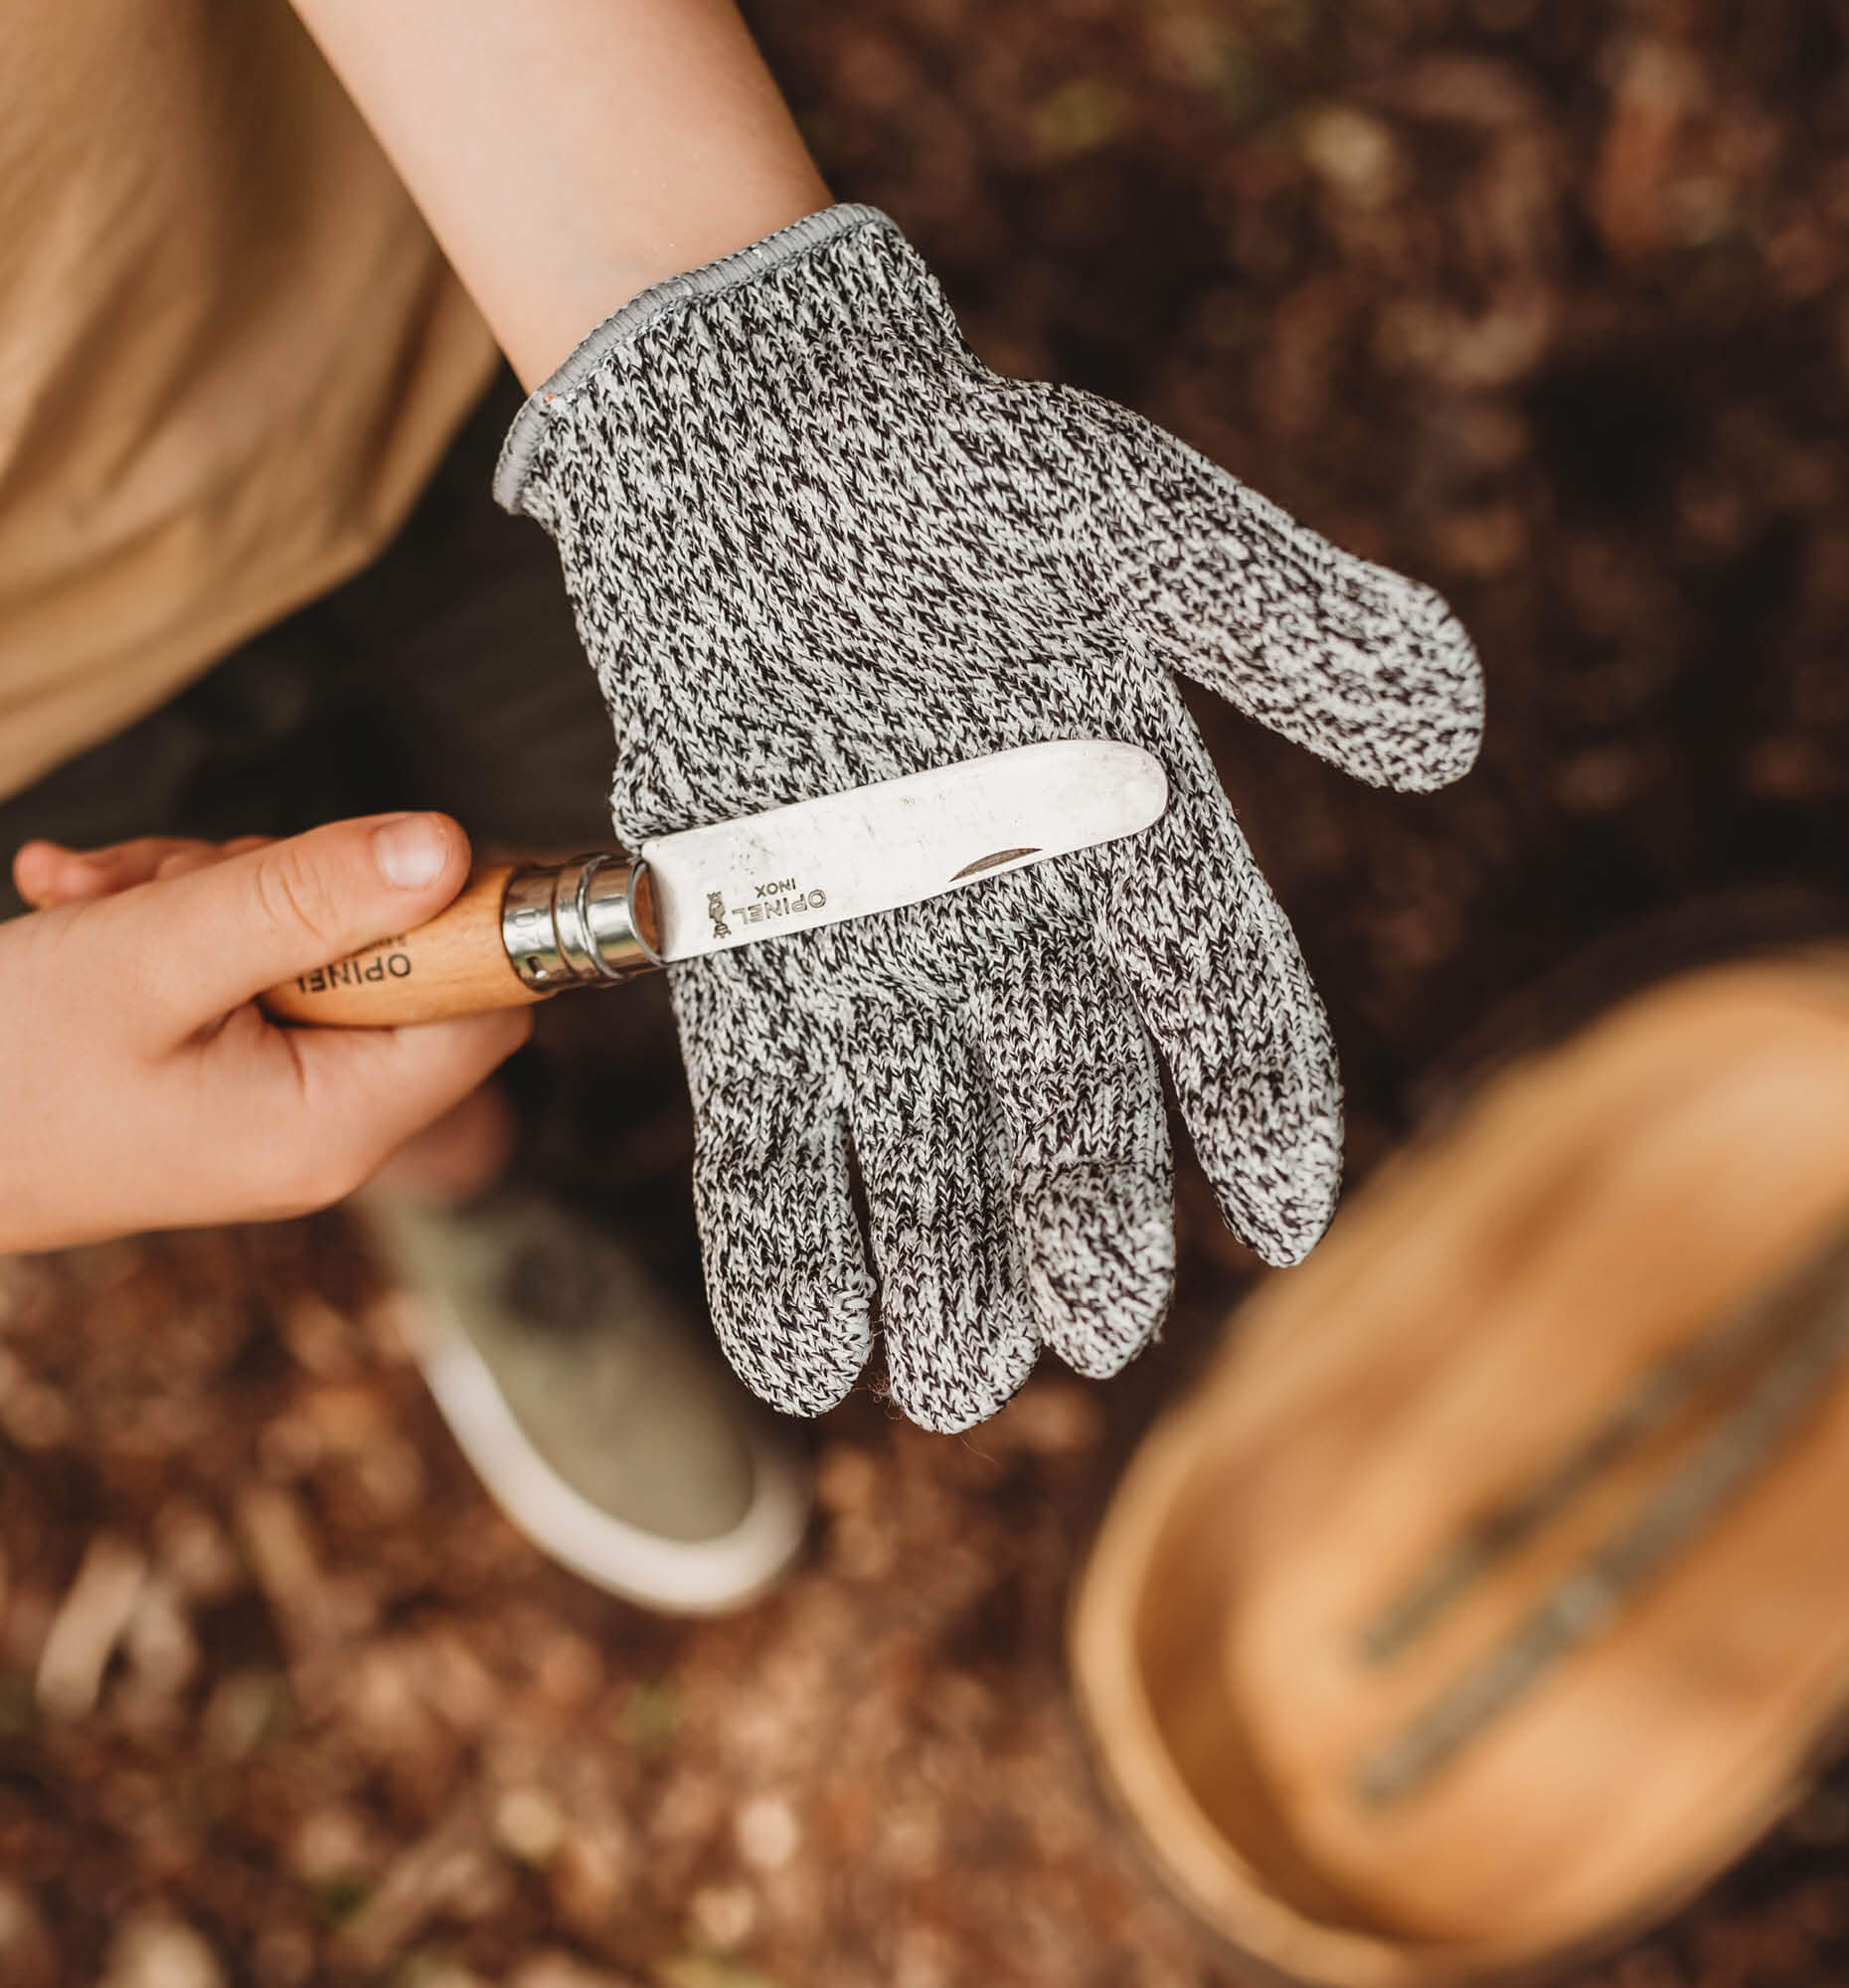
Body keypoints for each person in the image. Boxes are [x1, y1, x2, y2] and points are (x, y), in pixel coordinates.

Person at [0, 4, 1479, 1599]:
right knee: (265, 1021)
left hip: (462, 288)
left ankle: (446, 1121)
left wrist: (711, 368)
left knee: (597, 790)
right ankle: (456, 1175)